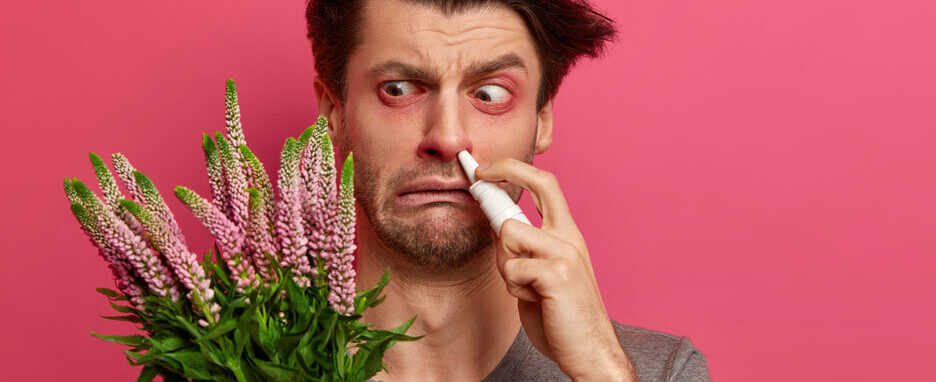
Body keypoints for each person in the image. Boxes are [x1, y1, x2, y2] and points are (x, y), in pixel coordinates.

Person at [305, 0, 711, 380]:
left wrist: (600, 369)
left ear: (543, 120)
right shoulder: (247, 358)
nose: (448, 138)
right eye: (398, 89)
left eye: (490, 94)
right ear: (332, 114)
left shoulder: (659, 372)